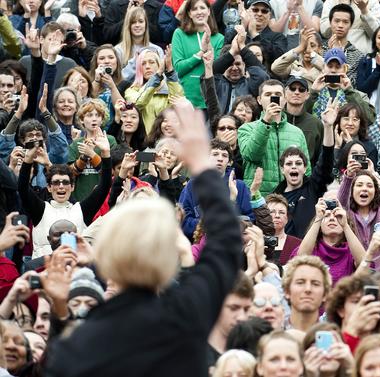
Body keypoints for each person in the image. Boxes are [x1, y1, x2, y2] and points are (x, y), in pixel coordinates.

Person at [44, 102, 244, 376]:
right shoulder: (189, 310)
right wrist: (202, 165)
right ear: (170, 252)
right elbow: (226, 242)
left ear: (108, 257)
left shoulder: (81, 341)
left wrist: (59, 311)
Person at [19, 126, 112, 258]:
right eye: (56, 183)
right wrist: (28, 160)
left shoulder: (81, 210)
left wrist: (106, 153)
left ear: (72, 187)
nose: (61, 186)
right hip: (43, 269)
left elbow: (104, 186)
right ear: (49, 188)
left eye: (65, 182)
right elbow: (22, 188)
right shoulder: (40, 209)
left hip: (74, 269)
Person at [237, 79, 310, 195]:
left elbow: (306, 170)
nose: (273, 98)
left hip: (290, 200)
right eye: (268, 94)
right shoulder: (246, 128)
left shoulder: (297, 132)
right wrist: (266, 122)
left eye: (278, 95)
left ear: (285, 99)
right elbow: (252, 155)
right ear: (259, 100)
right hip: (258, 197)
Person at [291, 198, 366, 284]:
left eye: (337, 216)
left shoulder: (352, 251)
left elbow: (364, 263)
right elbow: (299, 259)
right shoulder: (311, 247)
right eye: (326, 216)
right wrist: (318, 217)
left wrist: (345, 225)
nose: (332, 219)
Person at [172, 0, 225, 109]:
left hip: (211, 100)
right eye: (195, 9)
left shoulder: (219, 38)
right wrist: (200, 53)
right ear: (189, 14)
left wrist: (209, 46)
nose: (199, 12)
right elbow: (178, 69)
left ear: (209, 11)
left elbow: (217, 70)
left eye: (202, 8)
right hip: (185, 100)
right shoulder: (179, 34)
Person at [307, 48, 375, 124]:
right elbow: (297, 117)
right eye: (330, 66)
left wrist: (349, 91)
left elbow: (369, 119)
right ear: (323, 68)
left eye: (338, 67)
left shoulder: (358, 95)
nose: (333, 70)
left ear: (345, 69)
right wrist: (313, 92)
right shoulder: (311, 92)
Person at [124, 47, 184, 133]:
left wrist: (170, 70)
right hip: (144, 142)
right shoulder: (132, 91)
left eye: (151, 62)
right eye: (143, 64)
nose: (147, 66)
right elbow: (138, 105)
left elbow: (178, 103)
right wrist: (157, 76)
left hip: (168, 138)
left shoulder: (170, 87)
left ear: (159, 64)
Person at [207, 274, 254, 371]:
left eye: (246, 309)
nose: (241, 317)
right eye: (234, 308)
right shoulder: (195, 355)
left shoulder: (256, 350)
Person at [319, 4, 365, 86]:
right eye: (337, 21)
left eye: (345, 22)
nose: (340, 25)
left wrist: (341, 57)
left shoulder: (358, 55)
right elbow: (316, 79)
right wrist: (330, 53)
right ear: (330, 22)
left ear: (351, 25)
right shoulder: (319, 49)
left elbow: (353, 85)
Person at [115, 6, 165, 82]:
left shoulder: (157, 50)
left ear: (146, 24)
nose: (137, 25)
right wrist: (135, 61)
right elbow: (118, 79)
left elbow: (162, 77)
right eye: (133, 22)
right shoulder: (118, 50)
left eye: (141, 21)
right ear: (128, 25)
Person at [282, 255, 331, 332]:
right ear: (287, 291)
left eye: (315, 284)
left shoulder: (335, 338)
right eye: (300, 282)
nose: (308, 289)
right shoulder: (271, 333)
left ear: (325, 294)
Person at [282, 76, 323, 165]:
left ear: (307, 95)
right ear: (285, 92)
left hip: (307, 176)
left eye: (301, 89)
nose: (296, 92)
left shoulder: (316, 124)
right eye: (292, 89)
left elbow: (320, 157)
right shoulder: (276, 119)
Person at [265, 194, 301, 265]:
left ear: (287, 217)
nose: (277, 216)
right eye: (272, 212)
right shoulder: (255, 242)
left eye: (281, 212)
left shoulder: (298, 244)